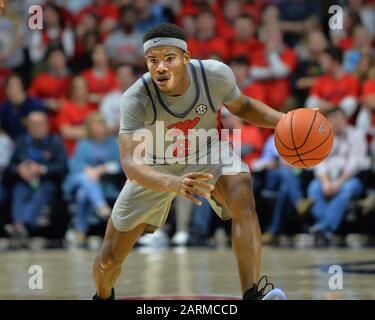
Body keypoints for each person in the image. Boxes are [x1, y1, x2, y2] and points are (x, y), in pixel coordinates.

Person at [92, 23, 287, 300]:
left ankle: (252, 293)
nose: (160, 67)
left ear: (185, 57)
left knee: (242, 187)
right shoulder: (135, 98)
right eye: (153, 60)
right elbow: (131, 165)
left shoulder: (215, 75)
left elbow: (243, 107)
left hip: (208, 150)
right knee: (109, 258)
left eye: (168, 58)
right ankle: (101, 297)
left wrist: (285, 120)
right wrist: (173, 183)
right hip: (155, 165)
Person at [6, 111, 67, 246]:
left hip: (46, 181)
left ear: (46, 125)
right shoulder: (22, 141)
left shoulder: (54, 141)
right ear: (28, 126)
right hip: (23, 181)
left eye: (39, 124)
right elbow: (10, 166)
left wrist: (41, 169)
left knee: (42, 192)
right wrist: (18, 169)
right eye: (32, 124)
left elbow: (62, 166)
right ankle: (19, 226)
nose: (36, 127)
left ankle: (23, 226)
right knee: (18, 190)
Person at [306, 108, 367, 241]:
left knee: (347, 189)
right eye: (332, 119)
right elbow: (319, 163)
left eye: (339, 118)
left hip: (349, 179)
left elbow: (354, 163)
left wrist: (339, 182)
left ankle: (322, 227)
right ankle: (327, 230)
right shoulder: (321, 137)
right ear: (327, 122)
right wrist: (326, 182)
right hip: (326, 179)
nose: (336, 122)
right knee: (313, 188)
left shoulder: (356, 135)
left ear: (345, 119)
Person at [64, 112, 121, 247]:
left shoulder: (113, 143)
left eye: (100, 125)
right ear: (89, 128)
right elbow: (74, 165)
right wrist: (88, 171)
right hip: (80, 179)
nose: (97, 129)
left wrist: (100, 170)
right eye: (94, 126)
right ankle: (100, 206)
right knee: (85, 178)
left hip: (105, 185)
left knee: (83, 194)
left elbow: (120, 165)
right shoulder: (83, 144)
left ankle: (81, 231)